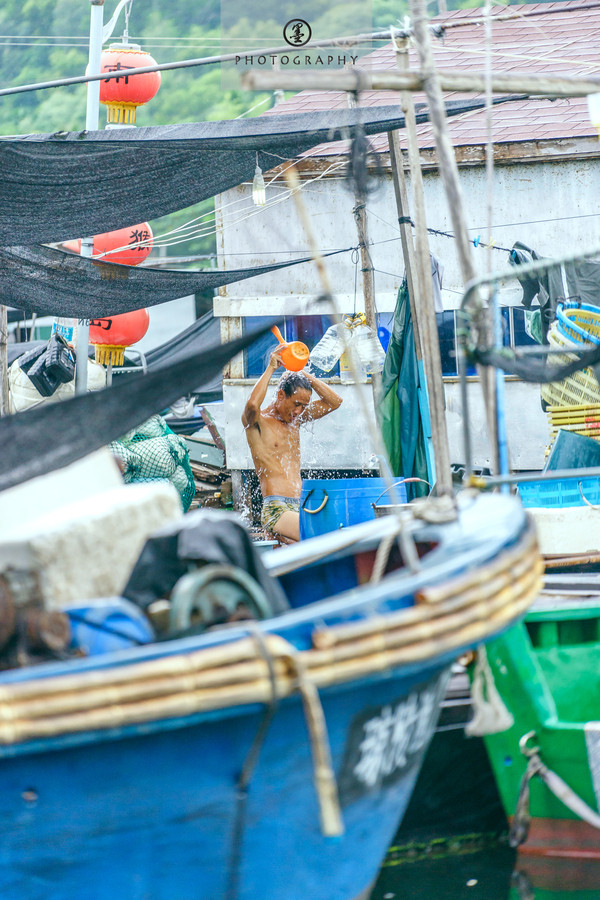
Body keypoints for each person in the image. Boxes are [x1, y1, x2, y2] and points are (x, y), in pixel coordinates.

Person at [242, 348, 343, 541]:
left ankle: (285, 541)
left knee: (331, 536)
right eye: (296, 404)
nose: (299, 411)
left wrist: (302, 374)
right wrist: (271, 368)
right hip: (277, 508)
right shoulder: (258, 422)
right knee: (318, 536)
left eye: (304, 406)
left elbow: (334, 402)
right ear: (281, 395)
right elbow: (252, 405)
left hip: (301, 504)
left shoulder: (295, 420)